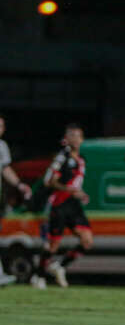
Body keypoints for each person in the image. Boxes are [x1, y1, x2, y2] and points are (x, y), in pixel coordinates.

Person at [31, 124, 92, 289]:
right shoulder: (62, 158)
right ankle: (39, 276)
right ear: (67, 138)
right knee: (53, 245)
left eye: (78, 136)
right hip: (59, 203)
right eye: (72, 135)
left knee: (87, 241)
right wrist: (70, 190)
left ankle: (59, 266)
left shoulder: (82, 159)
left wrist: (80, 193)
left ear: (82, 139)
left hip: (74, 204)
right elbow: (50, 181)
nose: (75, 139)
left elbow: (76, 184)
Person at [0, 114, 33, 286]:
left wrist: (20, 185)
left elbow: (5, 169)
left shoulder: (2, 146)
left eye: (2, 126)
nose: (0, 129)